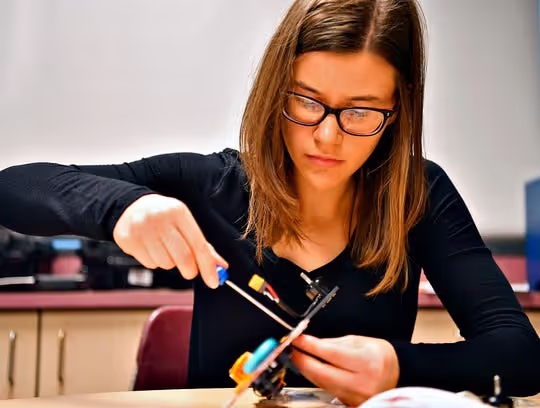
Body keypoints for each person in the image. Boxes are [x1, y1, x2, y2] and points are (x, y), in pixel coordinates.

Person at [1, 0, 539, 405]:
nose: (327, 138)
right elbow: (13, 187)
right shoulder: (212, 183)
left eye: (360, 111)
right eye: (307, 101)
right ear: (275, 89)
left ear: (397, 111)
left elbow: (521, 355)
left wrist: (402, 366)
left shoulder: (418, 196)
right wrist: (121, 208)